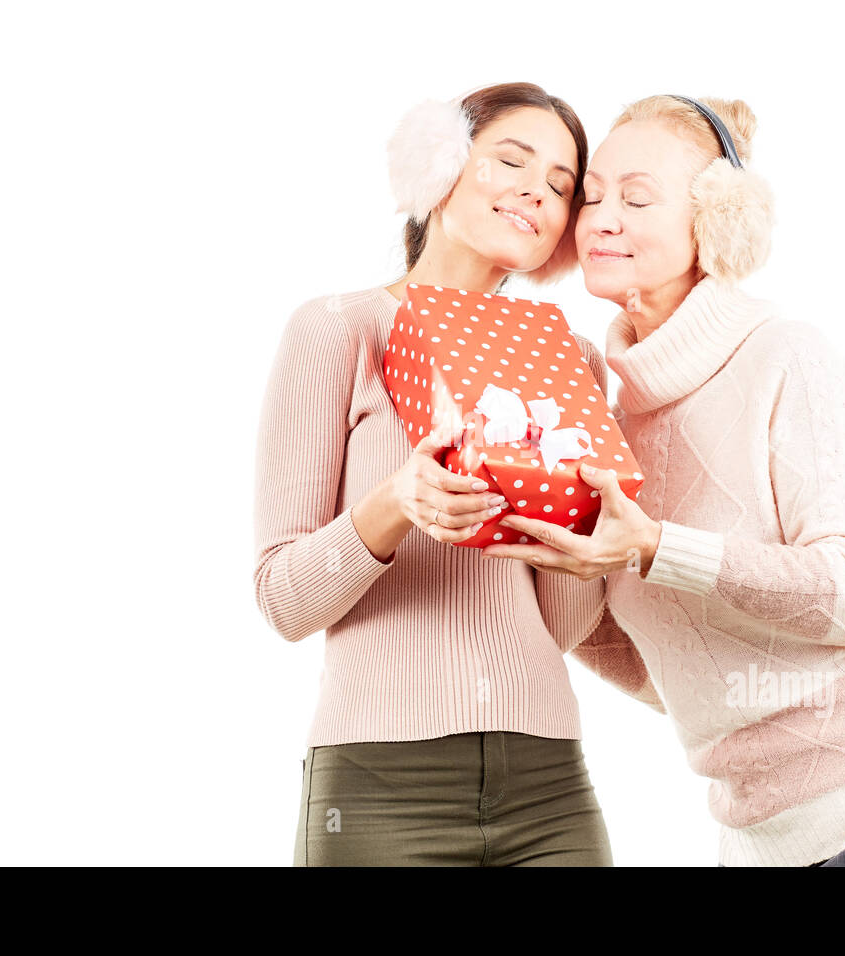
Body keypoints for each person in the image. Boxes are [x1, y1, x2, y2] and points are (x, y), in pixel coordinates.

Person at [482, 94, 845, 867]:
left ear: (718, 222)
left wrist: (658, 547)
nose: (601, 217)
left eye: (636, 198)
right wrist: (542, 571)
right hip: (764, 831)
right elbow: (672, 664)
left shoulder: (785, 358)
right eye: (592, 197)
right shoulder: (607, 423)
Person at [254, 82, 621, 865]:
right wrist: (394, 504)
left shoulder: (574, 362)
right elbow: (283, 599)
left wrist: (578, 530)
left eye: (560, 186)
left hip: (549, 780)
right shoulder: (337, 330)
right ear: (439, 166)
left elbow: (562, 625)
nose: (537, 190)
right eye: (512, 162)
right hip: (379, 785)